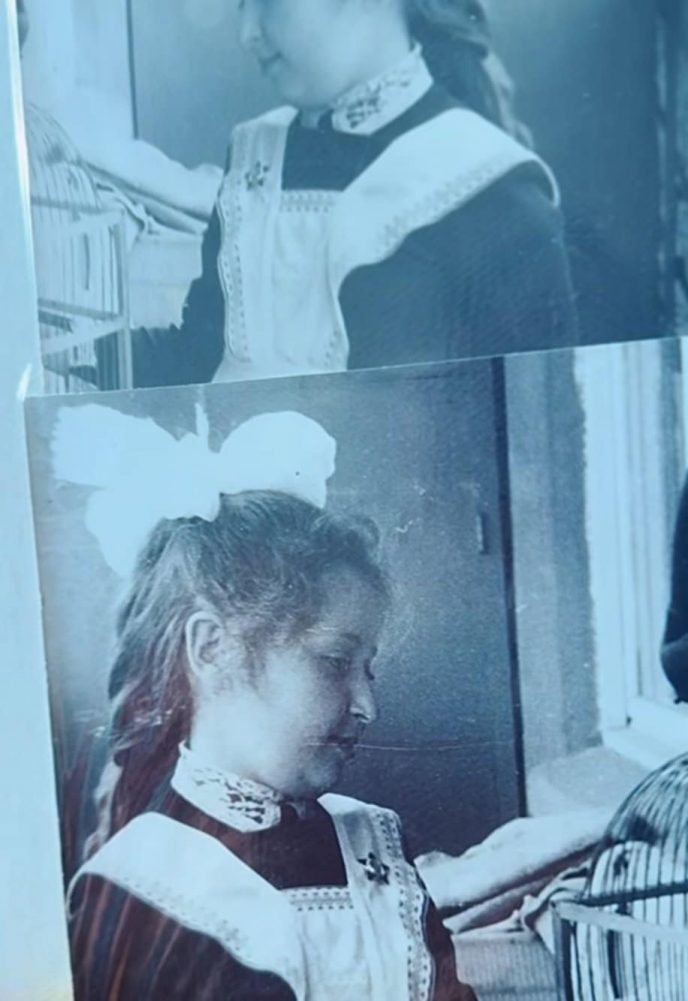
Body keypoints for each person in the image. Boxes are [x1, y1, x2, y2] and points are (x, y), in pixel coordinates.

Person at [55, 406, 477, 1000]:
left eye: (369, 669)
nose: (367, 706)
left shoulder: (374, 841)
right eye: (334, 661)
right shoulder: (137, 886)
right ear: (212, 648)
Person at [133, 0, 577, 388]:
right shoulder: (255, 157)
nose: (246, 33)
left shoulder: (495, 192)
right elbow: (201, 359)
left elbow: (534, 434)